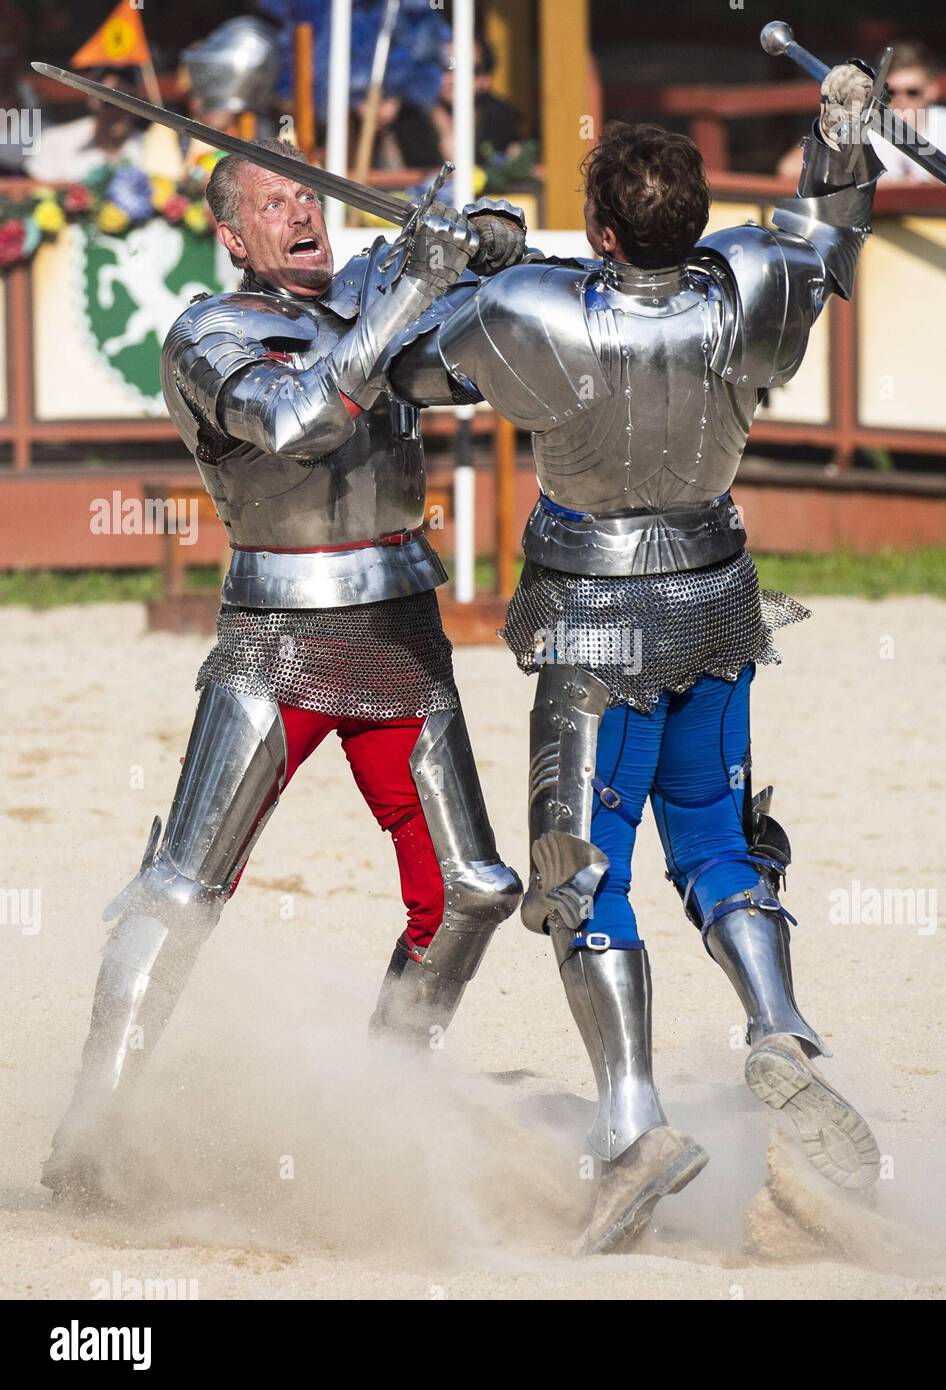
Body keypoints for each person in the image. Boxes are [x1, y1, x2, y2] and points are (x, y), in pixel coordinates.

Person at [388, 62, 884, 1254]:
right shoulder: (748, 285)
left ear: (602, 227)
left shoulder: (543, 316)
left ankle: (632, 1124)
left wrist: (456, 260)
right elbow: (828, 245)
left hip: (598, 619)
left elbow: (407, 370)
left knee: (578, 878)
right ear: (695, 217)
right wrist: (843, 141)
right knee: (714, 840)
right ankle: (779, 1026)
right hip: (716, 591)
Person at [42, 137, 529, 1203]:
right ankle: (92, 1131)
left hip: (400, 619)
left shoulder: (372, 290)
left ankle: (382, 1105)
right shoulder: (208, 333)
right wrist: (417, 287)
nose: (301, 212)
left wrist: (484, 239)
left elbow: (477, 352)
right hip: (277, 631)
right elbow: (299, 420)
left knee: (471, 891)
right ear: (231, 233)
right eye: (273, 201)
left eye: (309, 193)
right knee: (179, 891)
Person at [776, 40, 946, 187]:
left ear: (932, 91)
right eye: (892, 92)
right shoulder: (859, 127)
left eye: (913, 92)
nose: (902, 100)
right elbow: (789, 170)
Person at [382, 36, 524, 170]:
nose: (454, 79)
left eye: (468, 70)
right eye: (445, 68)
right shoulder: (405, 118)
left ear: (485, 78)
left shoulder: (504, 120)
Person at [27, 66, 147, 181]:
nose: (118, 109)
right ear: (92, 100)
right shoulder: (55, 142)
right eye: (109, 101)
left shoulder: (153, 147)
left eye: (129, 101)